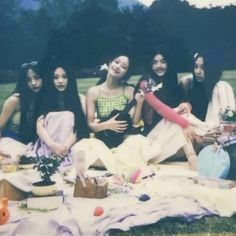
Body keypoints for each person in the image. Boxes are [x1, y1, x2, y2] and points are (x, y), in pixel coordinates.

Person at [29, 64, 89, 165]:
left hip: (70, 146)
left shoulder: (80, 99)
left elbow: (78, 127)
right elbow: (39, 127)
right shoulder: (44, 99)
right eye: (56, 77)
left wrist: (64, 147)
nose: (60, 81)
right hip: (48, 146)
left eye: (64, 77)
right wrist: (53, 146)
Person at [86, 54, 140, 148]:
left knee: (138, 143)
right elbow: (90, 125)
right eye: (116, 62)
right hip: (102, 139)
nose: (118, 67)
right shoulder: (93, 92)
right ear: (110, 63)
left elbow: (135, 122)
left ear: (126, 73)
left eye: (123, 67)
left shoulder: (129, 90)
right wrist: (107, 125)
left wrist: (140, 103)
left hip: (123, 139)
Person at [180, 52, 235, 129]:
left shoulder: (221, 87)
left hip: (211, 131)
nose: (198, 71)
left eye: (203, 68)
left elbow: (229, 117)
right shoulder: (187, 83)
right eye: (196, 67)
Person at [0, 61, 43, 143]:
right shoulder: (15, 100)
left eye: (37, 78)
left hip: (32, 144)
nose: (33, 83)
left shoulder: (46, 99)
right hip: (10, 142)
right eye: (28, 80)